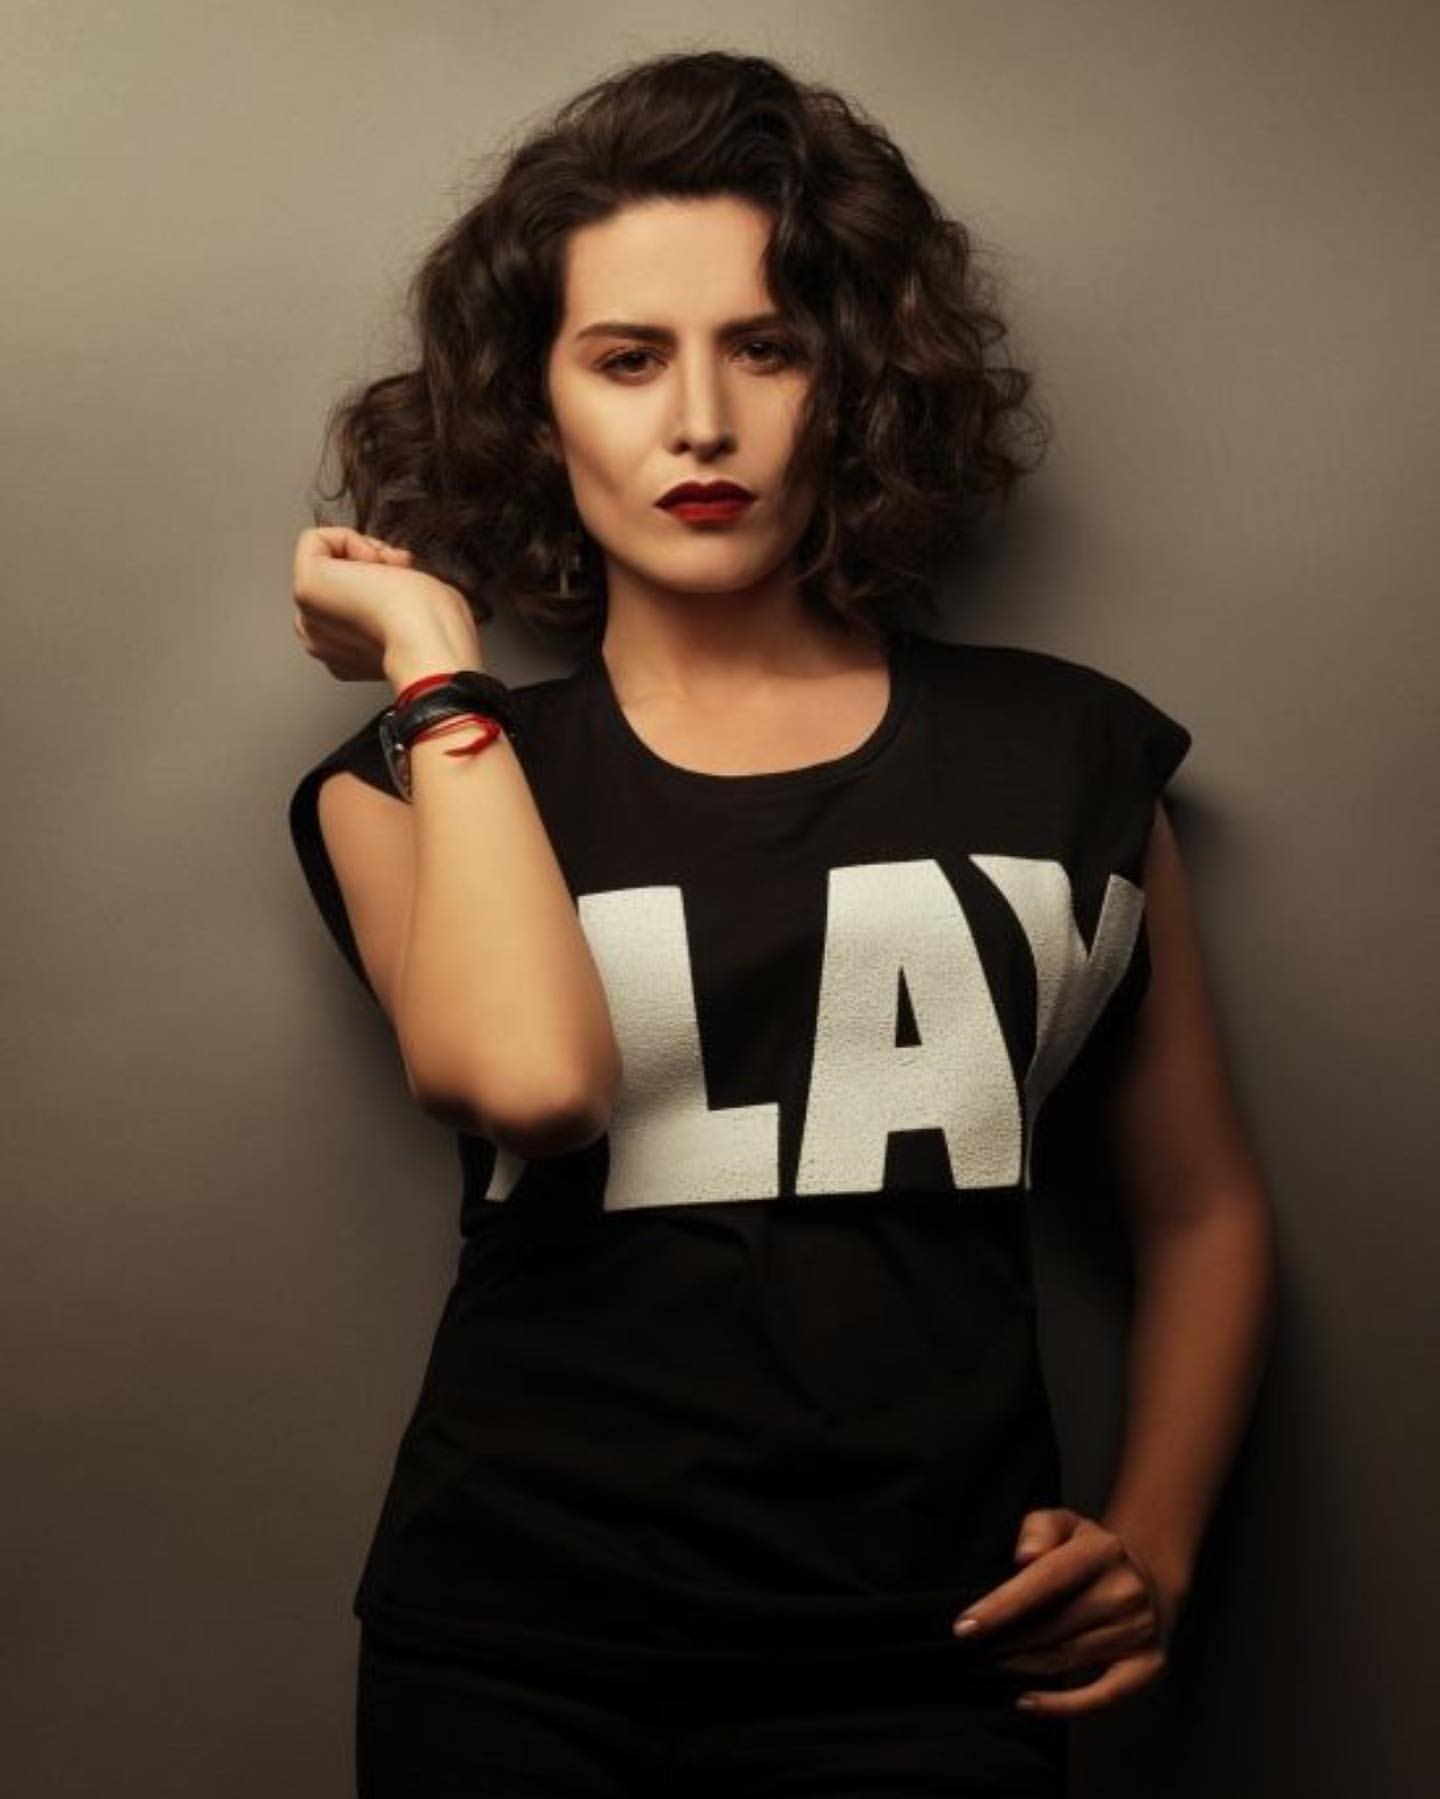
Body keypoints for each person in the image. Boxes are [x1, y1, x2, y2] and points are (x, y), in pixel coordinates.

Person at [286, 49, 1276, 1799]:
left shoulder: (1068, 756)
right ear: (536, 410)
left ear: (856, 378)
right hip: (516, 1662)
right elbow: (533, 1085)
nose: (701, 422)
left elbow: (1199, 1210)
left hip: (940, 1659)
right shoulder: (406, 780)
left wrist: (1159, 1549)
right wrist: (437, 668)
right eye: (625, 358)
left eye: (767, 346)